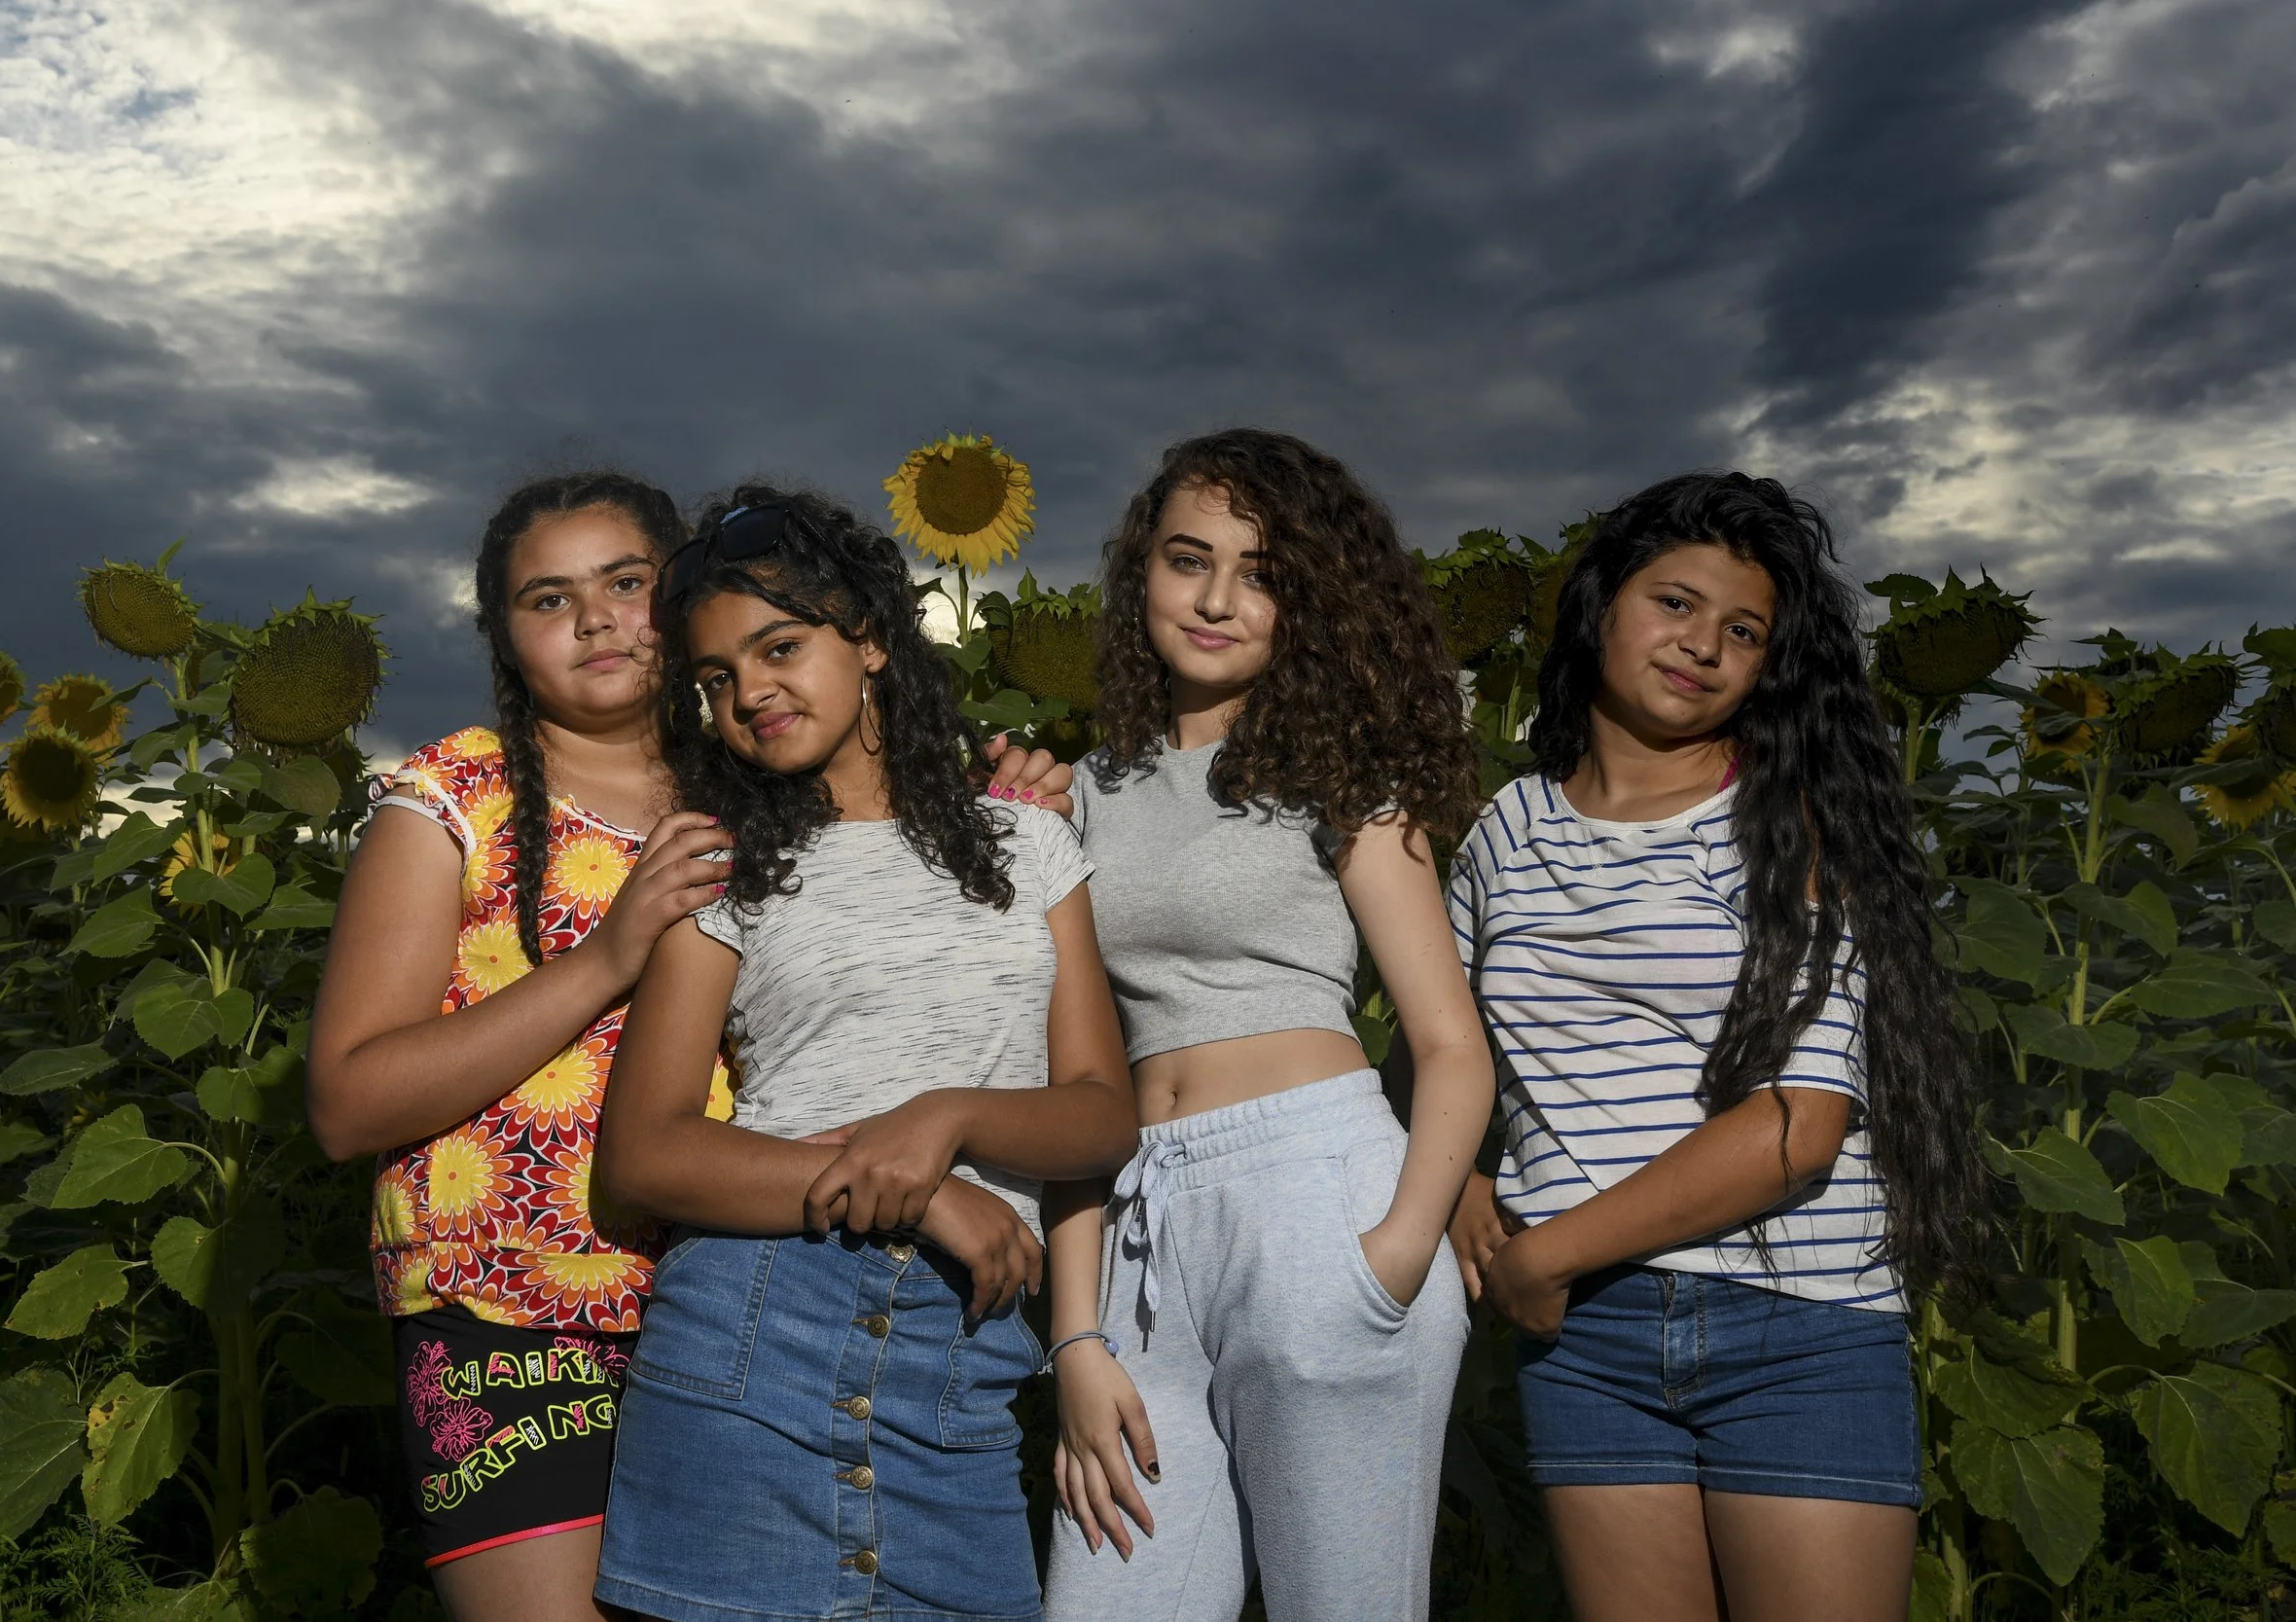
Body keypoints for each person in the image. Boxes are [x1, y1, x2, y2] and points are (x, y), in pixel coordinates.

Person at [306, 471, 1074, 1620]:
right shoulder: (452, 798)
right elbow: (347, 1102)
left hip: (754, 1298)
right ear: (505, 640)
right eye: (547, 600)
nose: (598, 619)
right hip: (513, 1312)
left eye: (626, 583)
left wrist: (1018, 788)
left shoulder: (766, 777)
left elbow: (930, 854)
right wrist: (608, 957)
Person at [1445, 472, 1988, 1622]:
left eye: (1743, 631)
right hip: (1587, 1340)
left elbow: (1799, 1127)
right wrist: (1464, 1182)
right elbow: (1443, 1052)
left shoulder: (1792, 821)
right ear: (1599, 606)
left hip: (1796, 1317)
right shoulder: (1505, 827)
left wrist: (1542, 1256)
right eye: (1675, 603)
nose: (1703, 644)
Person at [592, 487, 1138, 1622]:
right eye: (715, 677)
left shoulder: (1031, 840)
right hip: (756, 1345)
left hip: (959, 1379)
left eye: (780, 646)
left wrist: (950, 1116)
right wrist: (916, 1195)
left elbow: (1100, 1114)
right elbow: (641, 1157)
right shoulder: (719, 863)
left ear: (875, 636)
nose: (750, 692)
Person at [1038, 429, 1496, 1622]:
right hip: (1137, 1234)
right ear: (1142, 570)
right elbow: (1073, 1074)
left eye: (1261, 573)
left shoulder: (1344, 775)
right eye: (1189, 560)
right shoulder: (1082, 793)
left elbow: (1450, 1044)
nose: (1218, 598)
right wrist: (1075, 1334)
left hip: (1317, 1199)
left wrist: (1393, 1252)